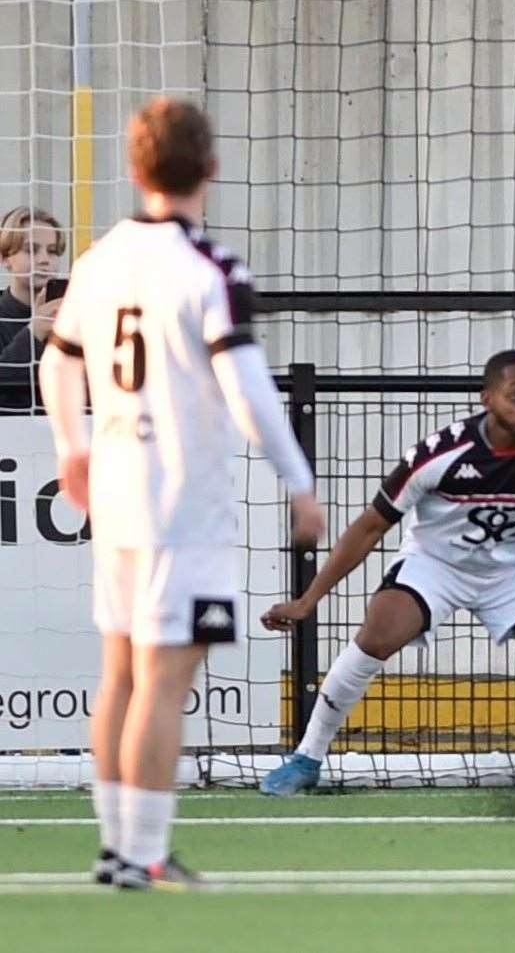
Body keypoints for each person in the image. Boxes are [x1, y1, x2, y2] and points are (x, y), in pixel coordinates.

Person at [38, 97, 327, 888]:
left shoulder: (98, 263)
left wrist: (71, 445)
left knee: (120, 673)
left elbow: (57, 361)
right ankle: (145, 853)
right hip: (183, 503)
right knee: (165, 681)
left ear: (133, 171)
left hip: (119, 492)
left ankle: (115, 846)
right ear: (211, 168)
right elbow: (246, 387)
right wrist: (299, 482)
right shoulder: (211, 270)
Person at [256, 349, 515, 795]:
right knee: (377, 635)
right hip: (435, 565)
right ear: (487, 399)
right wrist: (309, 600)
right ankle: (307, 758)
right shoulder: (437, 455)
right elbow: (369, 528)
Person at [0, 205, 68, 411]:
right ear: (5, 259)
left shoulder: (77, 315)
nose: (45, 260)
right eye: (31, 250)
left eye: (53, 251)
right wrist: (34, 331)